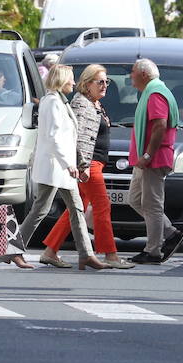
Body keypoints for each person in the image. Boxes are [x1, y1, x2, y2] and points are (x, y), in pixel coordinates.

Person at [40, 64, 135, 269]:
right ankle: (110, 254)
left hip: (96, 163)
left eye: (106, 81)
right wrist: (81, 165)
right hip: (88, 165)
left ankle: (50, 251)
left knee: (77, 209)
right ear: (86, 84)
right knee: (101, 206)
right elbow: (78, 138)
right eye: (99, 81)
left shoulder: (94, 104)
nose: (104, 85)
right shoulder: (82, 104)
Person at [18, 65, 106, 270]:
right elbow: (54, 137)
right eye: (71, 80)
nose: (74, 83)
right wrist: (69, 164)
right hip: (55, 167)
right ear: (61, 80)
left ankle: (86, 254)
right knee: (41, 209)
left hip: (62, 168)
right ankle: (13, 249)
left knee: (76, 208)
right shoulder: (52, 103)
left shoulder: (58, 101)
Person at [126, 58, 183, 265]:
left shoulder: (155, 93)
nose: (130, 76)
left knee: (152, 205)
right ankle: (170, 233)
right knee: (135, 199)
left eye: (133, 72)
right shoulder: (151, 91)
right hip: (145, 159)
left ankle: (153, 250)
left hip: (154, 159)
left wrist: (148, 154)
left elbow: (160, 125)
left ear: (143, 74)